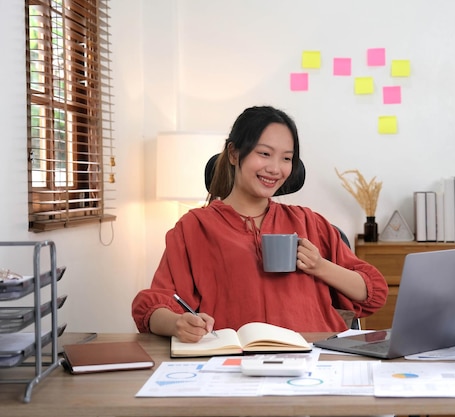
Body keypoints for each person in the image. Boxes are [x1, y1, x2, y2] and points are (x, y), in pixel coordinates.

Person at [132, 105, 388, 342]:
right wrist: (178, 323)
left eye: (286, 158)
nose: (275, 169)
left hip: (316, 359)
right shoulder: (193, 228)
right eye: (264, 154)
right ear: (234, 153)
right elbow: (155, 306)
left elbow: (372, 292)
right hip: (233, 362)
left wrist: (320, 266)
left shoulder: (310, 222)